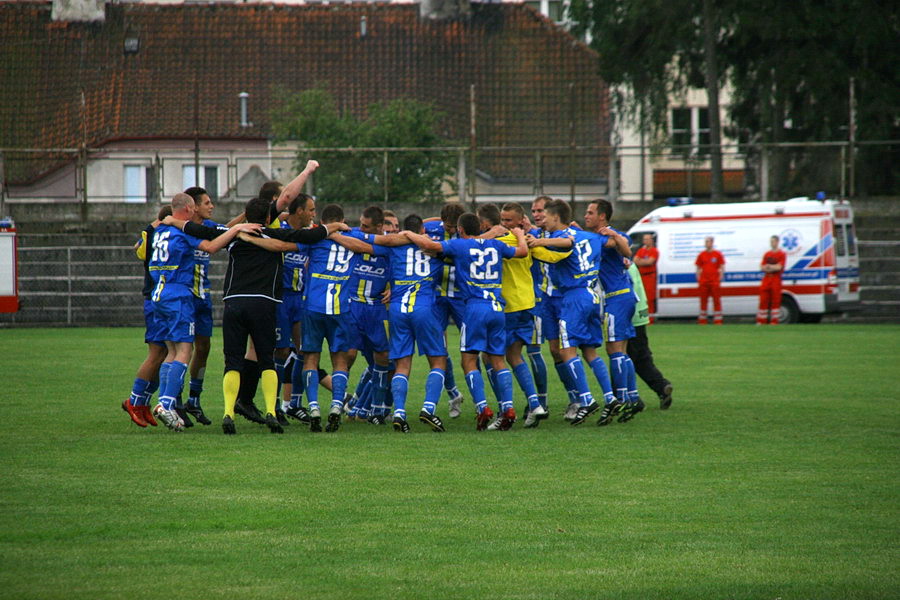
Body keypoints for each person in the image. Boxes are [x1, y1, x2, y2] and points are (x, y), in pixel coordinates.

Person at [407, 212, 527, 431]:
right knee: (498, 359)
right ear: (479, 228)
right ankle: (508, 408)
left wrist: (407, 233)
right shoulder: (496, 245)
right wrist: (519, 234)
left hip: (474, 308)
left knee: (468, 361)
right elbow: (522, 252)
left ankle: (482, 408)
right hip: (498, 308)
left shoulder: (459, 246)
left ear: (460, 230)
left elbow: (430, 246)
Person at [149, 193, 257, 431]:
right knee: (186, 350)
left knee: (171, 351)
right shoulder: (184, 231)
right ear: (189, 208)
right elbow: (210, 246)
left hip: (159, 293)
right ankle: (166, 404)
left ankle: (167, 403)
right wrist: (237, 229)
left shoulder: (161, 231)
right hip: (178, 295)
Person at [339, 214, 448, 433]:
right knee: (438, 361)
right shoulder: (436, 249)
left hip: (398, 310)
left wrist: (334, 234)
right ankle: (428, 408)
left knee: (401, 364)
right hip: (424, 308)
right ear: (423, 232)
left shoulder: (393, 248)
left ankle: (399, 412)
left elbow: (364, 245)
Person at [526, 199, 609, 426]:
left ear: (554, 215)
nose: (537, 215)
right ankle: (609, 398)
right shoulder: (544, 233)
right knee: (566, 350)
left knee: (567, 349)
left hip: (570, 296)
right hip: (561, 297)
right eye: (533, 211)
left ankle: (581, 399)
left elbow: (568, 241)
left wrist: (535, 242)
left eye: (541, 211)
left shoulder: (558, 236)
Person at [583, 199, 640, 425]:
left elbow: (626, 248)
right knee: (622, 351)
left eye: (590, 212)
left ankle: (620, 399)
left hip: (617, 297)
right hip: (623, 296)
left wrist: (615, 239)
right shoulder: (602, 236)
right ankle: (631, 397)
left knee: (614, 349)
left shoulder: (609, 234)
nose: (586, 215)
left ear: (602, 216)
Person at [122, 204, 172, 428]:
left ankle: (142, 402)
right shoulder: (155, 237)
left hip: (163, 300)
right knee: (156, 353)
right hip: (155, 301)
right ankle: (134, 400)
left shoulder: (155, 236)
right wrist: (152, 226)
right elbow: (140, 249)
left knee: (164, 353)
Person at [424, 202, 469, 418]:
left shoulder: (468, 235)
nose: (449, 230)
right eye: (446, 225)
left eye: (452, 226)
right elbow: (417, 226)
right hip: (437, 297)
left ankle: (483, 402)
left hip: (462, 297)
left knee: (471, 348)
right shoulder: (435, 229)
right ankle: (453, 394)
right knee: (438, 349)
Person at [625, 259, 674, 410]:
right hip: (640, 312)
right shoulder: (629, 262)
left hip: (628, 314)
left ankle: (625, 396)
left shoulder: (618, 262)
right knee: (641, 357)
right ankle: (661, 386)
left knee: (622, 358)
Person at [695, 236, 725, 325]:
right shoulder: (701, 255)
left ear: (712, 243)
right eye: (705, 241)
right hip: (704, 282)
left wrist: (720, 278)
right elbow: (698, 267)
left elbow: (722, 267)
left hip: (714, 281)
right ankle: (703, 321)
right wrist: (699, 278)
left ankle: (718, 320)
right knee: (703, 301)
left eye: (708, 241)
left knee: (717, 301)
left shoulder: (717, 254)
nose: (706, 243)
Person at [757, 235, 786, 325]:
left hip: (775, 279)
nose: (771, 243)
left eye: (773, 241)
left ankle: (774, 321)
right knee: (763, 300)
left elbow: (779, 267)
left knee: (775, 300)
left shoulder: (781, 254)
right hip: (766, 278)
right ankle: (761, 321)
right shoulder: (767, 254)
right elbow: (762, 267)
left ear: (777, 242)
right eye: (771, 241)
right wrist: (770, 267)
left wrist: (769, 266)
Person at [633, 233, 659, 323]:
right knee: (641, 297)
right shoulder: (641, 250)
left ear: (652, 240)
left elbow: (650, 262)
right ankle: (643, 317)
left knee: (650, 297)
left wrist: (641, 261)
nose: (645, 241)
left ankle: (650, 318)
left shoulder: (654, 251)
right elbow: (635, 260)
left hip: (650, 276)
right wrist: (643, 261)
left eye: (647, 239)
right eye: (644, 239)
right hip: (641, 276)